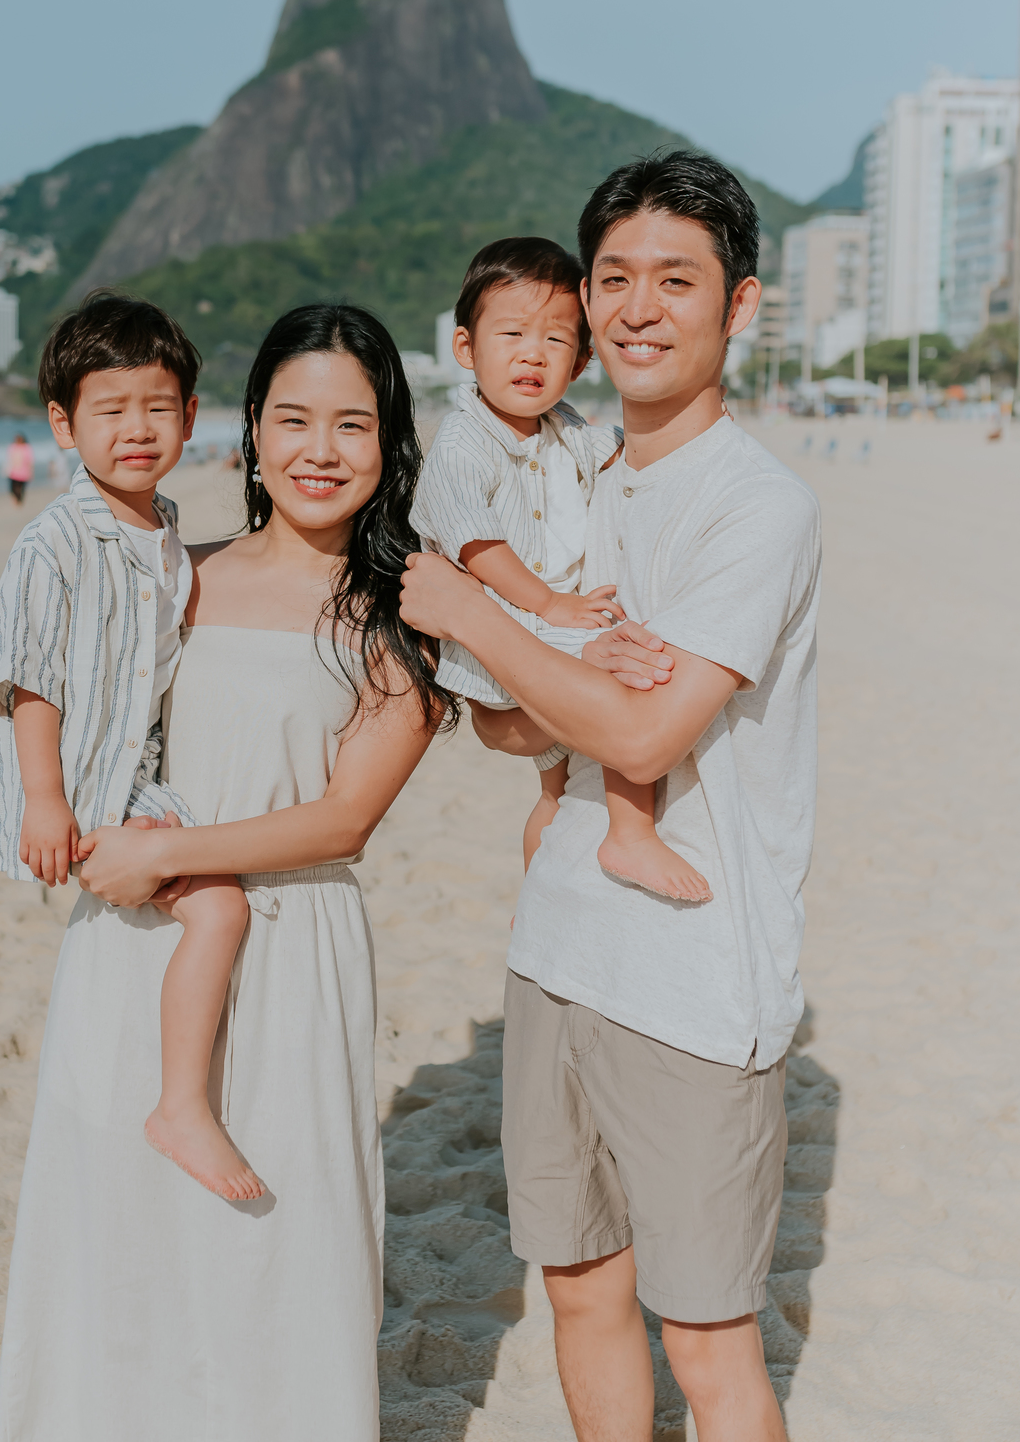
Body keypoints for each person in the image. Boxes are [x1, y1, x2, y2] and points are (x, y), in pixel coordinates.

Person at [399, 151, 821, 1442]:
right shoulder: (574, 480)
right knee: (580, 1289)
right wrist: (525, 669)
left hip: (692, 987)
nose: (639, 307)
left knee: (707, 1341)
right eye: (615, 278)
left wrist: (475, 612)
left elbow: (638, 732)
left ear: (738, 306)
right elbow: (504, 718)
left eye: (674, 280)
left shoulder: (755, 504)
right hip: (555, 947)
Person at [0, 302, 451, 1442]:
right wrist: (77, 824)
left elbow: (344, 821)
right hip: (135, 938)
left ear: (388, 441)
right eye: (293, 418)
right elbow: (60, 690)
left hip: (291, 944)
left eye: (351, 424)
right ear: (247, 433)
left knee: (276, 1248)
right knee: (120, 1232)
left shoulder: (396, 621)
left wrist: (172, 854)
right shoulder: (167, 574)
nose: (319, 450)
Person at [0, 293, 262, 1202]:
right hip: (96, 785)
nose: (136, 429)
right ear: (64, 424)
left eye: (157, 407)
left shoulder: (167, 527)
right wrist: (46, 798)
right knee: (220, 910)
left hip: (137, 769)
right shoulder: (55, 541)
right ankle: (180, 1104)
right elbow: (31, 675)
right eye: (109, 410)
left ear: (188, 414)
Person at [411, 236, 709, 903]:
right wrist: (548, 604)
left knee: (552, 788)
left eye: (555, 342)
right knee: (624, 671)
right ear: (467, 349)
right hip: (504, 629)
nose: (531, 354)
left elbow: (619, 452)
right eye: (512, 333)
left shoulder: (564, 426)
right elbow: (472, 543)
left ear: (577, 365)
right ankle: (631, 833)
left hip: (544, 625)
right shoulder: (463, 441)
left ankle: (534, 905)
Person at [2, 431, 35, 505]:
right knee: (12, 489)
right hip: (13, 472)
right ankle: (17, 500)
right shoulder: (12, 446)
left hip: (24, 473)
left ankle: (19, 501)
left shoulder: (27, 447)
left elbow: (30, 461)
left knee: (21, 489)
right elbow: (8, 459)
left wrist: (31, 472)